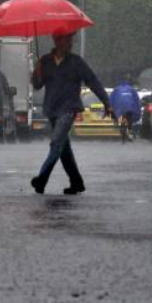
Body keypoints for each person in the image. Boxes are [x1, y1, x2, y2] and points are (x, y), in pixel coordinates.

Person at [30, 29, 113, 195]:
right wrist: (36, 72)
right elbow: (38, 85)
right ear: (57, 41)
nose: (70, 43)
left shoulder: (76, 62)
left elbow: (93, 81)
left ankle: (41, 179)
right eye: (67, 40)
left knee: (55, 144)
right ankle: (76, 182)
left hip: (69, 108)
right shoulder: (45, 61)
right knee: (64, 149)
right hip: (52, 109)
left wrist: (106, 102)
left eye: (71, 40)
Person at [109, 76, 142, 141]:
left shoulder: (116, 89)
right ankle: (130, 131)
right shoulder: (132, 89)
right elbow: (137, 101)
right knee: (129, 118)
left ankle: (121, 127)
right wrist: (137, 110)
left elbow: (111, 100)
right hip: (129, 108)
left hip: (120, 108)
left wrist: (111, 109)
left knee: (120, 116)